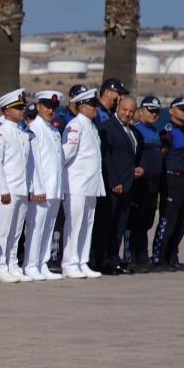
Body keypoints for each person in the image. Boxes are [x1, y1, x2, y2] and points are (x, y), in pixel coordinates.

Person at [0, 90, 33, 283]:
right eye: (18, 108)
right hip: (7, 189)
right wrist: (3, 189)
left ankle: (12, 263)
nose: (22, 110)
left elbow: (27, 164)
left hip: (21, 188)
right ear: (7, 111)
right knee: (3, 230)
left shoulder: (22, 134)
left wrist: (29, 188)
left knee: (16, 231)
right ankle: (0, 266)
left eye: (22, 107)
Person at [60, 87, 105, 280]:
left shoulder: (92, 126)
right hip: (76, 184)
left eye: (96, 104)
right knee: (74, 224)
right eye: (92, 104)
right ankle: (69, 263)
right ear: (81, 106)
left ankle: (81, 261)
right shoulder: (75, 126)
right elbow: (65, 156)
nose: (96, 108)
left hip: (91, 184)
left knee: (87, 223)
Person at [24, 91, 67, 281]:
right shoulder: (35, 129)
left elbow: (59, 163)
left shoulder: (54, 131)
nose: (51, 110)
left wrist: (61, 188)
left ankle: (43, 263)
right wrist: (38, 188)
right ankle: (31, 264)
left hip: (54, 189)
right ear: (39, 106)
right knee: (36, 227)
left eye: (54, 108)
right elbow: (34, 162)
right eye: (47, 106)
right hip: (42, 189)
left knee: (48, 228)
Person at [95, 95, 140, 275]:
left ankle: (114, 259)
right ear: (117, 107)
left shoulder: (132, 131)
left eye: (131, 111)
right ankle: (102, 260)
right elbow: (106, 157)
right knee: (107, 224)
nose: (127, 114)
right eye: (124, 110)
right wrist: (114, 181)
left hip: (128, 186)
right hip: (113, 186)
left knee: (120, 225)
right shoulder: (107, 128)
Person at [153, 97, 184, 271]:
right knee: (167, 220)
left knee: (180, 222)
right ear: (171, 111)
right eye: (181, 108)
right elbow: (162, 154)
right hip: (172, 179)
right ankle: (159, 258)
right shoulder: (168, 131)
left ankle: (172, 257)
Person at [127, 96, 164, 272]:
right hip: (141, 182)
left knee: (147, 221)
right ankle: (133, 257)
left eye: (156, 111)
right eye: (150, 110)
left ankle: (143, 256)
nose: (153, 114)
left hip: (153, 182)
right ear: (141, 111)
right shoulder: (137, 130)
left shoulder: (154, 132)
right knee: (137, 221)